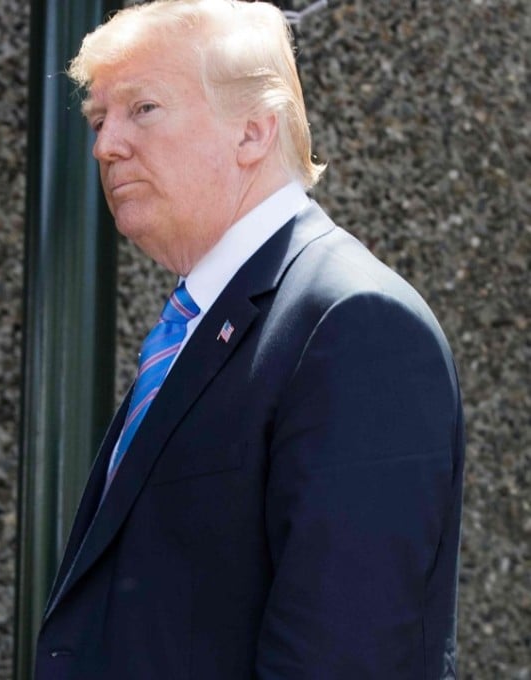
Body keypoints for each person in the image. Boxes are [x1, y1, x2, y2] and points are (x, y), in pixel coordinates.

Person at [35, 2, 464, 678]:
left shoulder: (355, 323)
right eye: (98, 118)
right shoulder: (205, 320)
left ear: (254, 132)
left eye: (142, 108)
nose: (105, 145)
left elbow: (345, 655)